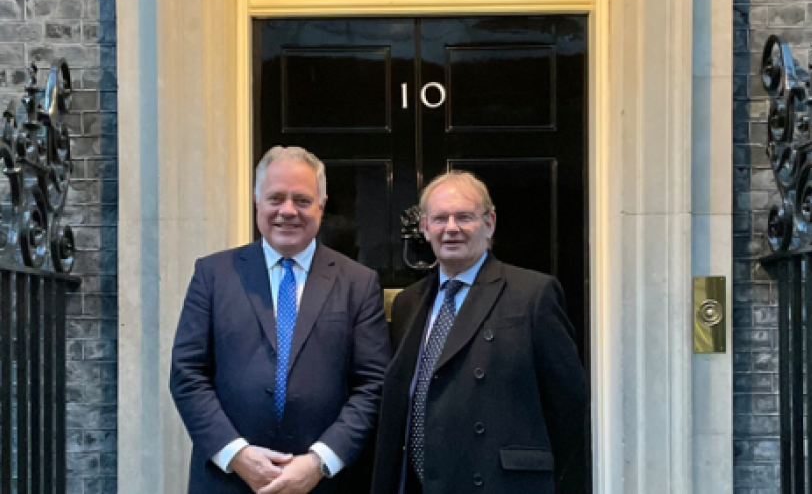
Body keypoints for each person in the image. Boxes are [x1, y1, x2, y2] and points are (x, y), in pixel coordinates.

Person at [170, 146, 391, 494]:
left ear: (322, 204)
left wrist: (320, 460)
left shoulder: (358, 283)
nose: (288, 211)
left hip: (324, 484)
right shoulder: (212, 275)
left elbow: (374, 385)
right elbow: (188, 374)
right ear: (257, 201)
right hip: (228, 481)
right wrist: (236, 454)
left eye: (302, 200)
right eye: (276, 198)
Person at [372, 171, 587, 494]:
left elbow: (569, 403)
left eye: (464, 217)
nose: (451, 228)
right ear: (425, 228)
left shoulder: (532, 294)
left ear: (490, 223)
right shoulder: (408, 303)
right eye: (440, 218)